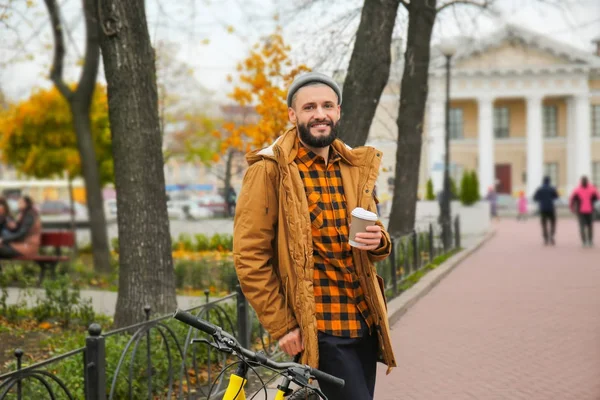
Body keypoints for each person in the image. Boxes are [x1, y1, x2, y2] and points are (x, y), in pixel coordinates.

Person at [233, 72, 395, 400]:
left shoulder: (354, 166)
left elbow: (376, 242)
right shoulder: (269, 170)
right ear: (293, 116)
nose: (319, 113)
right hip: (320, 329)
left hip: (365, 321)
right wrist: (282, 326)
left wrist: (379, 240)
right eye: (309, 107)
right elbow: (250, 257)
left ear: (338, 112)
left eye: (326, 105)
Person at [569, 176, 599, 247]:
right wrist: (592, 200)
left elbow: (572, 200)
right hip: (590, 210)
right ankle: (590, 241)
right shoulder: (592, 189)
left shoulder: (577, 190)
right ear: (587, 181)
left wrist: (572, 208)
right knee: (590, 226)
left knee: (582, 226)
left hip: (580, 210)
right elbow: (597, 197)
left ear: (581, 181)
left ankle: (584, 242)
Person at [533, 176, 559, 246]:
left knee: (544, 224)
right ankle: (552, 236)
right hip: (551, 208)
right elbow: (556, 197)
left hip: (543, 208)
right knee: (553, 223)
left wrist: (541, 199)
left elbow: (535, 198)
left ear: (543, 181)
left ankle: (545, 238)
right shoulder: (552, 188)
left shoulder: (540, 189)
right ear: (549, 181)